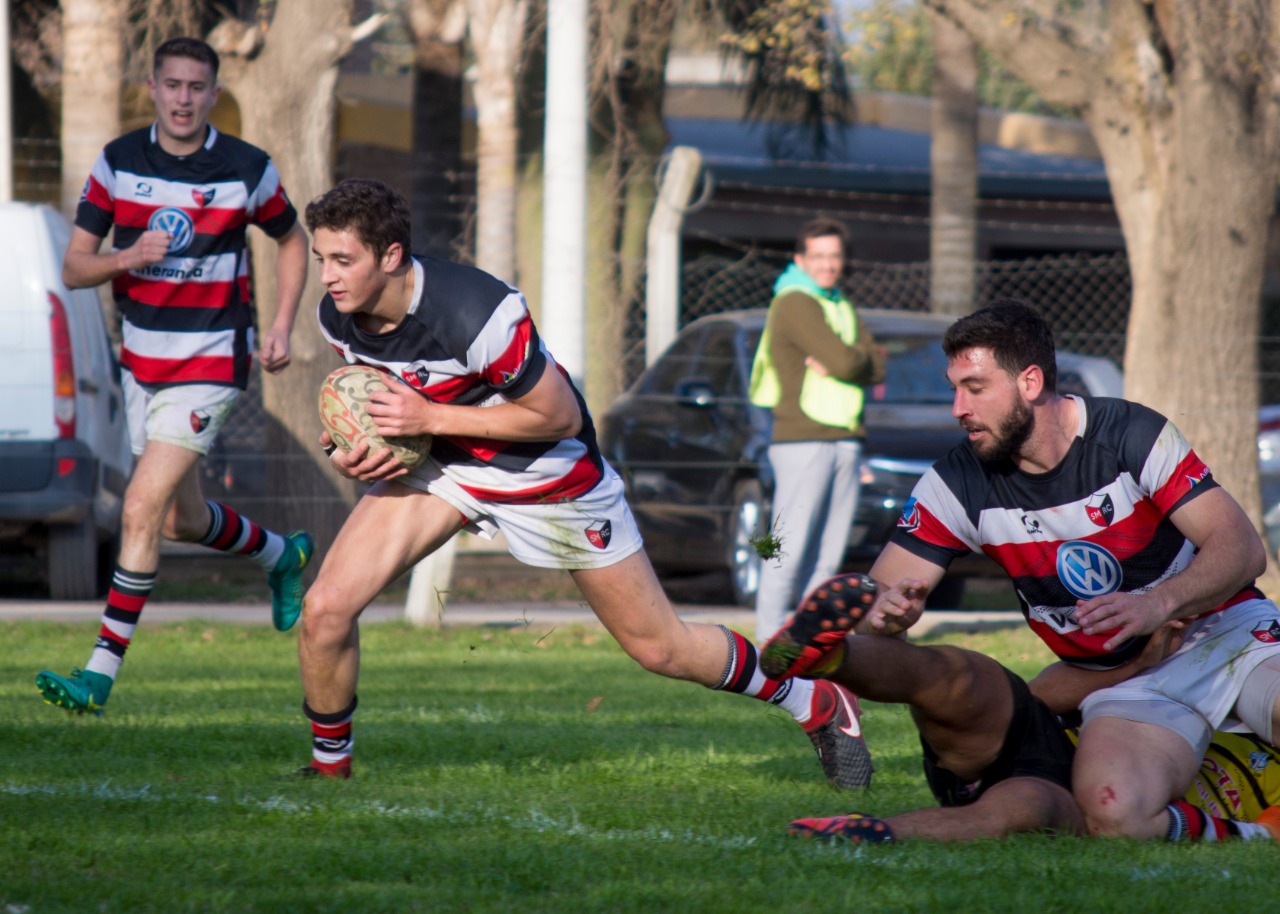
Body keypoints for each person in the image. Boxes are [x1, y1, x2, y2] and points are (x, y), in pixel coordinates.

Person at [291, 178, 870, 787]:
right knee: (326, 609)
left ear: (390, 257)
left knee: (660, 648)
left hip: (547, 475)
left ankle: (814, 702)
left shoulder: (474, 312)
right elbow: (374, 405)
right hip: (446, 470)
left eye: (342, 260)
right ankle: (331, 775)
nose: (327, 276)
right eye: (321, 259)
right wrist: (353, 447)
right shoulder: (341, 316)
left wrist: (428, 418)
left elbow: (558, 415)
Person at [775, 298, 1280, 841]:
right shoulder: (957, 482)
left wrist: (1154, 603)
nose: (957, 408)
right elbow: (881, 594)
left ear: (1030, 381)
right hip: (1125, 680)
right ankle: (1260, 838)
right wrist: (886, 613)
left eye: (974, 388)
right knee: (1113, 815)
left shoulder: (1129, 433)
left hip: (1227, 635)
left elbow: (1242, 547)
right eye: (954, 388)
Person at [35, 37, 314, 716]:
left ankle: (98, 674)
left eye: (197, 87)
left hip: (212, 360)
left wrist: (280, 325)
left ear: (213, 95)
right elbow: (75, 267)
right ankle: (282, 557)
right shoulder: (118, 164)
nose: (184, 98)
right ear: (153, 89)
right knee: (179, 521)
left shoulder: (247, 168)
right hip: (142, 363)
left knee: (138, 507)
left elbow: (292, 238)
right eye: (173, 85)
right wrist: (128, 257)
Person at [761, 573, 1280, 843]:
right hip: (1035, 734)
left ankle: (873, 833)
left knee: (1025, 811)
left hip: (1076, 798)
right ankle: (829, 656)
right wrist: (1138, 665)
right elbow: (1040, 695)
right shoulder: (1234, 676)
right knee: (963, 676)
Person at [747, 219, 885, 643]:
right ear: (800, 260)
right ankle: (769, 642)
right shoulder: (795, 302)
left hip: (845, 438)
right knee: (787, 547)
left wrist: (853, 359)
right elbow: (851, 363)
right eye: (819, 257)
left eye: (834, 257)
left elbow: (876, 363)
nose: (828, 265)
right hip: (803, 438)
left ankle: (806, 642)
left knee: (828, 556)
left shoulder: (838, 303)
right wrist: (853, 360)